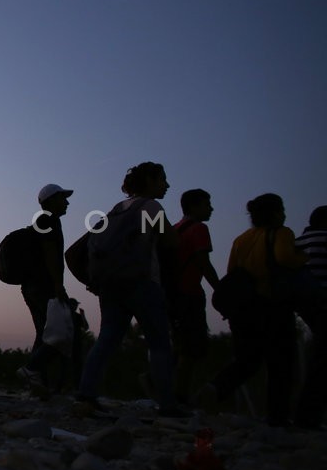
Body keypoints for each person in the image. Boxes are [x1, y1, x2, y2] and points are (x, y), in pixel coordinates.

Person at [77, 162, 189, 417]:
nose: (167, 185)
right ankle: (168, 405)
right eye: (162, 179)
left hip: (110, 285)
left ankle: (86, 393)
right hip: (142, 282)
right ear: (149, 180)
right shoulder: (151, 206)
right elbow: (172, 241)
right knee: (159, 343)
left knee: (106, 339)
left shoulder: (117, 209)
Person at [197, 194, 308, 426]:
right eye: (282, 209)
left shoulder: (241, 239)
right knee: (281, 362)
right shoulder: (282, 233)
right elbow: (284, 256)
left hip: (242, 308)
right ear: (275, 212)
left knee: (247, 359)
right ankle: (278, 417)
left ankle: (215, 388)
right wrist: (303, 258)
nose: (285, 214)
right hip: (271, 304)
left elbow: (231, 270)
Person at [15, 183, 73, 393]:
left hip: (33, 286)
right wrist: (59, 286)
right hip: (43, 286)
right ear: (50, 201)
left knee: (44, 333)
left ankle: (38, 382)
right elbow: (50, 253)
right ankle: (32, 369)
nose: (66, 202)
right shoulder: (48, 221)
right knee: (58, 335)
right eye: (62, 198)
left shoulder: (43, 221)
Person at [168, 189, 220, 404]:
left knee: (180, 343)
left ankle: (162, 383)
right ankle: (180, 395)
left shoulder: (174, 229)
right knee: (191, 347)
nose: (211, 209)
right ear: (194, 206)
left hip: (171, 293)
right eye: (207, 204)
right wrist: (219, 288)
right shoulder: (199, 228)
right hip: (189, 293)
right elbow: (202, 262)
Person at [290, 205, 327, 428]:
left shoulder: (299, 241)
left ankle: (307, 415)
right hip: (322, 300)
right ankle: (308, 416)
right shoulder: (323, 238)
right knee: (321, 359)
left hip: (306, 303)